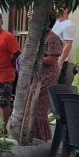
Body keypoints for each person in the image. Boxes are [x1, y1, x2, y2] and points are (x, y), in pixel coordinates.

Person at [29, 11, 64, 141]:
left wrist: (33, 58)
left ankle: (42, 138)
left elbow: (52, 60)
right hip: (37, 76)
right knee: (32, 107)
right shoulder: (39, 36)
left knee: (39, 110)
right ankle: (32, 135)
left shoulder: (52, 38)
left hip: (47, 77)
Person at [52, 7, 75, 80]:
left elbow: (68, 44)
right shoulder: (57, 22)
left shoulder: (68, 25)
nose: (56, 8)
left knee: (58, 87)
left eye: (59, 6)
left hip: (59, 61)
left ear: (66, 9)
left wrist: (60, 62)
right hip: (52, 59)